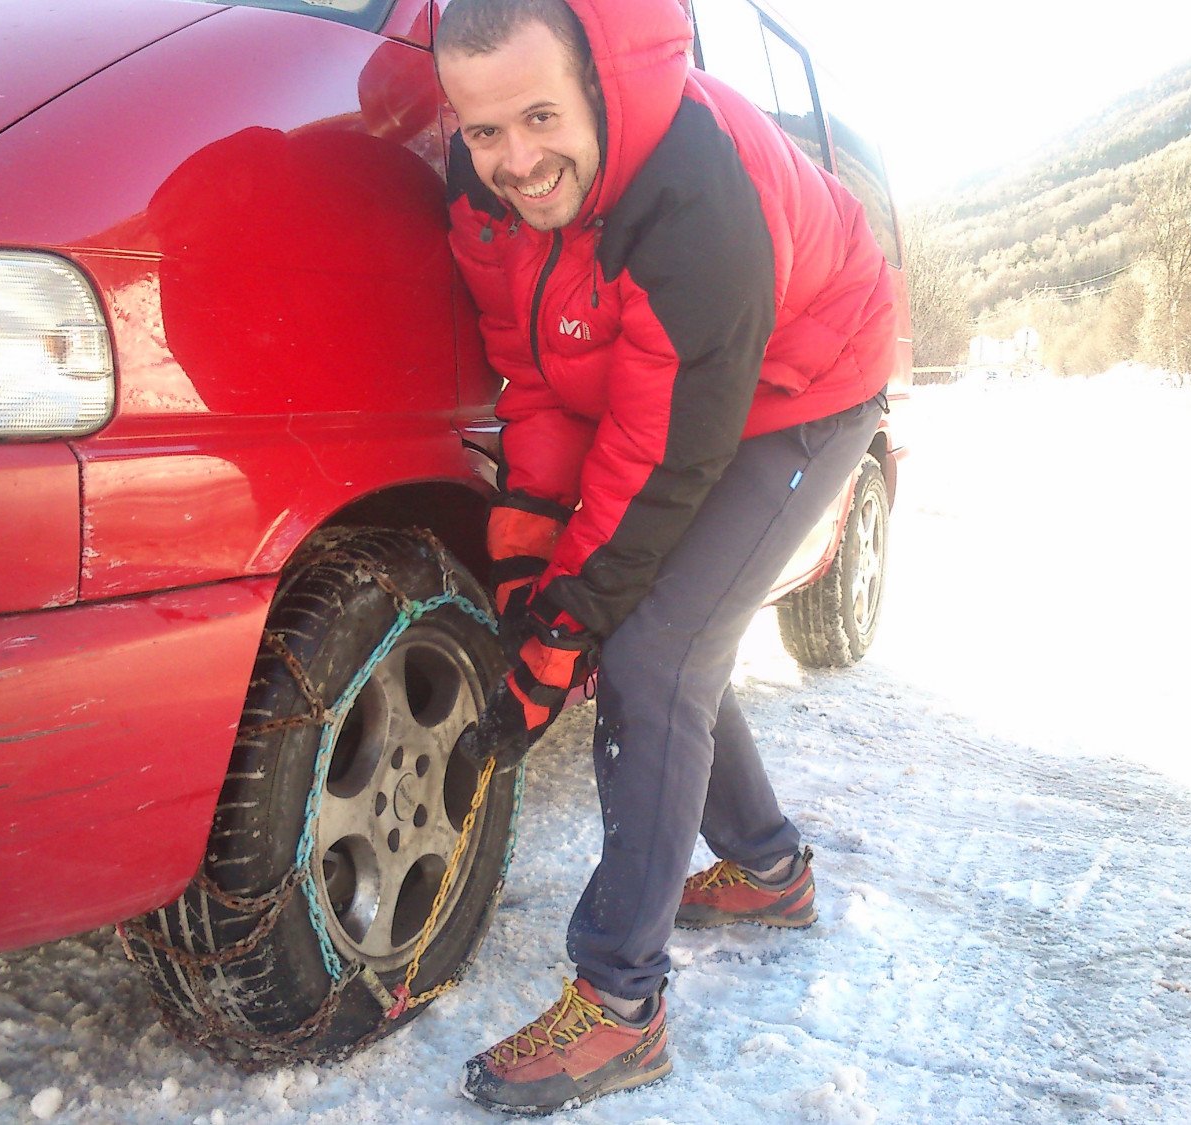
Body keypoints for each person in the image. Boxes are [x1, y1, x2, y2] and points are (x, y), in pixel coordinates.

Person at [436, 0, 900, 1112]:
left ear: (601, 85)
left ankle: (623, 1006)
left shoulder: (695, 197)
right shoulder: (481, 187)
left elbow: (658, 464)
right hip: (683, 396)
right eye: (483, 129)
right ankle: (771, 870)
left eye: (539, 116)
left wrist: (564, 631)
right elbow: (537, 377)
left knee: (648, 654)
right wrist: (527, 556)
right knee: (657, 638)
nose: (514, 160)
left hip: (804, 385)